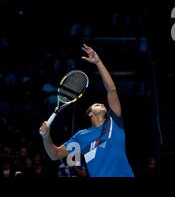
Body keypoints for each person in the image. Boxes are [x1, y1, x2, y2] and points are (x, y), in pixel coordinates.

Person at [39, 44, 134, 177]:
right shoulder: (81, 136)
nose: (101, 103)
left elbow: (111, 90)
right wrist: (46, 137)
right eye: (96, 104)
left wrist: (98, 62)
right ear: (90, 113)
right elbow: (55, 154)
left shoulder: (115, 121)